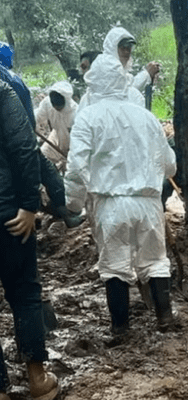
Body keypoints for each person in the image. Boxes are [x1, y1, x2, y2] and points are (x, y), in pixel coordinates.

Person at [64, 52, 177, 334]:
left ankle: (121, 329)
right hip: (149, 203)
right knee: (155, 261)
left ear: (93, 82)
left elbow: (76, 167)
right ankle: (165, 318)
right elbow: (170, 165)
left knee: (114, 266)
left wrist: (72, 204)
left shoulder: (88, 117)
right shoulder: (146, 117)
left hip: (110, 203)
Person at [0, 81, 60, 400]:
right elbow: (25, 148)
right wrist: (28, 204)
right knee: (24, 292)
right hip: (9, 215)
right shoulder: (2, 92)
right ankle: (38, 379)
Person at [0, 48, 82, 229]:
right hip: (23, 139)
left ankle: (59, 210)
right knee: (47, 173)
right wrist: (33, 135)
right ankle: (57, 210)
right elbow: (34, 117)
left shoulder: (75, 112)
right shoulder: (12, 80)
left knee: (43, 174)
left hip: (19, 141)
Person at [77, 27, 159, 114]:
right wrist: (146, 74)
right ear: (112, 48)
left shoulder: (132, 91)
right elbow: (119, 89)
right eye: (123, 47)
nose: (127, 52)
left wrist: (147, 75)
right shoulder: (103, 75)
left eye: (129, 48)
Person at [35, 81, 78, 166]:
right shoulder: (47, 103)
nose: (55, 107)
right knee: (42, 158)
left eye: (58, 105)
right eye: (53, 105)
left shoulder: (75, 113)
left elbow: (78, 140)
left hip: (72, 144)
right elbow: (38, 119)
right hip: (56, 137)